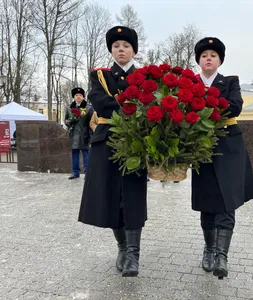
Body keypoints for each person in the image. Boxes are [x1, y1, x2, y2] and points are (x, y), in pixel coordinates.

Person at [78, 26, 147, 277]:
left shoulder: (146, 76)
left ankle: (133, 255)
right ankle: (122, 247)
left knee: (132, 197)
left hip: (136, 142)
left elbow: (149, 104)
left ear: (134, 51)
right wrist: (131, 104)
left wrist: (125, 104)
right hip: (106, 140)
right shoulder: (100, 76)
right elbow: (101, 104)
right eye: (116, 46)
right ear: (111, 50)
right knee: (109, 196)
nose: (121, 49)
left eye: (126, 46)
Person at [191, 37, 253, 280]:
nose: (208, 58)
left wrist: (201, 104)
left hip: (229, 147)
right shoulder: (189, 83)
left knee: (227, 200)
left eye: (213, 55)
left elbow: (235, 107)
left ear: (220, 61)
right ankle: (209, 249)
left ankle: (222, 255)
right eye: (204, 55)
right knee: (207, 200)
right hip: (201, 147)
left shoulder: (230, 82)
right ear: (199, 60)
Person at [64, 88, 93, 179]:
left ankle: (87, 173)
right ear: (74, 97)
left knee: (86, 153)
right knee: (75, 153)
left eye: (80, 95)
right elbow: (66, 120)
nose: (78, 97)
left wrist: (91, 134)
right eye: (76, 95)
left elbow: (92, 121)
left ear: (83, 97)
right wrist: (71, 121)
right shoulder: (69, 108)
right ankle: (75, 172)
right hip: (74, 134)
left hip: (85, 134)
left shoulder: (88, 108)